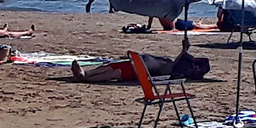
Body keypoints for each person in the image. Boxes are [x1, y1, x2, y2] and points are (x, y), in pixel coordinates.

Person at [69, 39, 210, 83]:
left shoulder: (174, 69)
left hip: (140, 69)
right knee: (110, 66)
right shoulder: (170, 63)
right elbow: (179, 61)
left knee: (115, 73)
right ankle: (86, 74)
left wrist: (184, 49)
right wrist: (184, 50)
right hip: (136, 64)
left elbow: (178, 64)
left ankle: (85, 78)